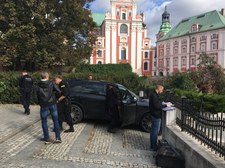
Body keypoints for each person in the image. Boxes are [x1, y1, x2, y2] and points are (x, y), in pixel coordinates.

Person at [33, 72, 62, 144]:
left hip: (43, 105)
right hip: (52, 103)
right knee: (55, 120)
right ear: (47, 76)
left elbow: (34, 97)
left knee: (44, 121)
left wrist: (39, 103)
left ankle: (46, 138)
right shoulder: (51, 83)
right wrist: (55, 98)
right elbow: (59, 91)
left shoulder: (37, 85)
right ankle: (58, 138)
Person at [149, 85, 167, 151]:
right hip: (156, 115)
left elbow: (157, 103)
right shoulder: (154, 95)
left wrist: (161, 103)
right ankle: (153, 146)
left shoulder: (154, 94)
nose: (162, 91)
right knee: (155, 131)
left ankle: (152, 145)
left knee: (153, 130)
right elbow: (156, 105)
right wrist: (164, 105)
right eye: (162, 90)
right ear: (158, 89)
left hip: (154, 114)